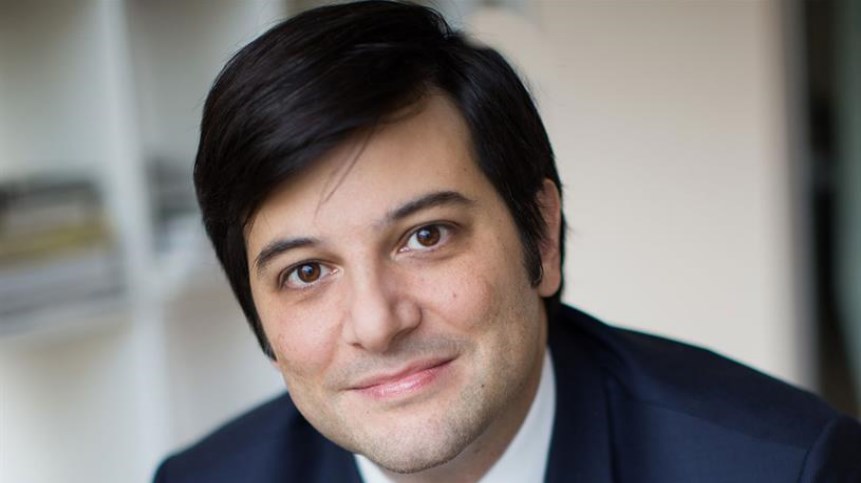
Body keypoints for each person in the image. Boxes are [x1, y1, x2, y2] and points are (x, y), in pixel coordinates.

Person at [154, 1, 861, 482]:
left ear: (541, 235)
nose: (376, 322)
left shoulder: (783, 466)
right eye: (306, 271)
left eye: (425, 235)